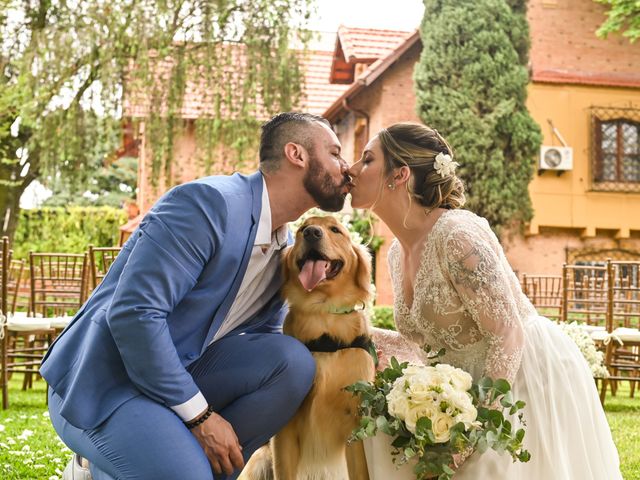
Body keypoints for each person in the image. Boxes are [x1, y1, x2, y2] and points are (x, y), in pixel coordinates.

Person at [40, 112, 353, 480]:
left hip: (180, 374)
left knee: (291, 362)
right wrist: (200, 417)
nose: (346, 167)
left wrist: (357, 346)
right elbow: (134, 314)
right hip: (105, 382)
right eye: (335, 153)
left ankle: (163, 461)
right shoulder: (207, 204)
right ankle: (108, 463)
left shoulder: (285, 245)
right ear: (296, 154)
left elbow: (262, 342)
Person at [347, 122, 623, 479]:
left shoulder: (457, 236)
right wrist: (364, 336)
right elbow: (429, 343)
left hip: (520, 374)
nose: (352, 169)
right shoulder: (397, 253)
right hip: (459, 385)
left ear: (398, 175)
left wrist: (474, 427)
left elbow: (508, 334)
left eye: (366, 159)